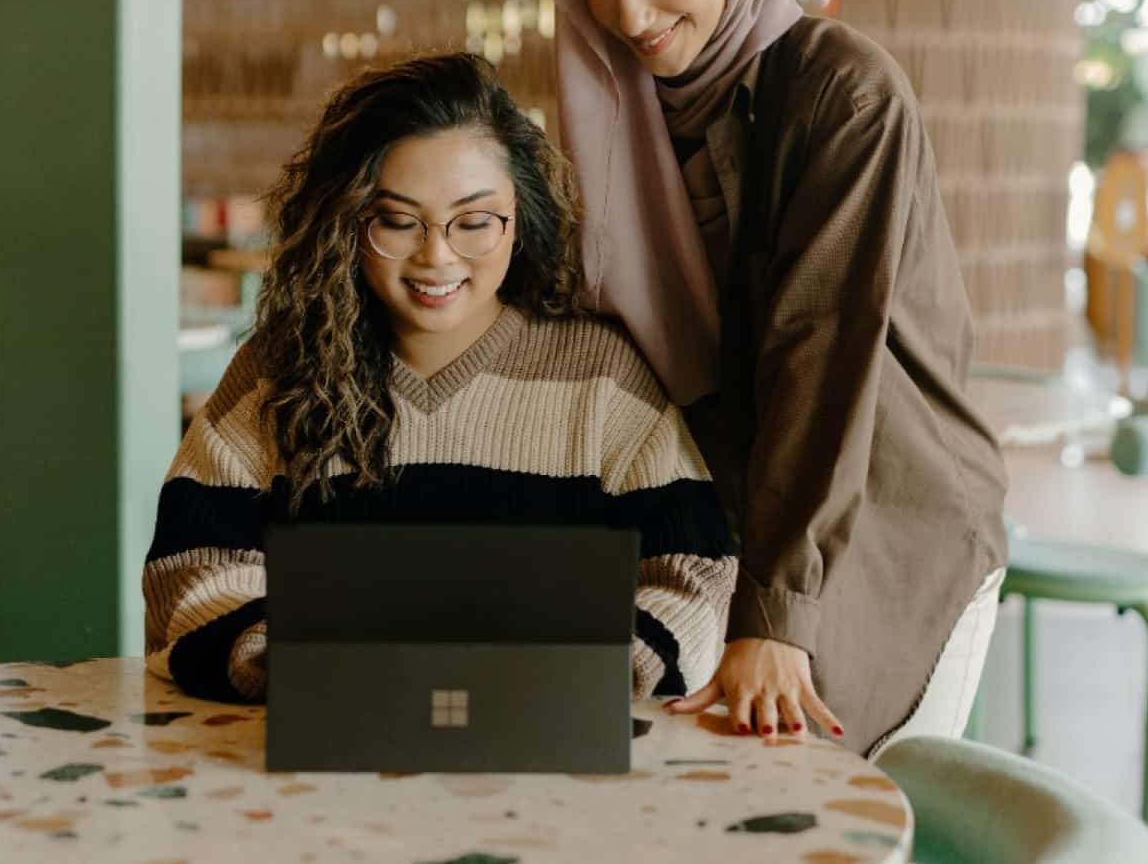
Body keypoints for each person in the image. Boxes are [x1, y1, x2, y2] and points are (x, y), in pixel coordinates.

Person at [547, 0, 1009, 755]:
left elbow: (821, 353)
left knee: (834, 808)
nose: (630, 17)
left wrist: (778, 610)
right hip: (728, 524)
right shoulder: (614, 113)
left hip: (881, 517)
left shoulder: (843, 91)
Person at [142, 52, 738, 704]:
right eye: (397, 220)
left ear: (521, 220)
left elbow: (695, 574)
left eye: (475, 222)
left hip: (552, 749)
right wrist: (308, 666)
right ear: (346, 221)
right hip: (318, 751)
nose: (437, 255)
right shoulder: (276, 371)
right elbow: (188, 570)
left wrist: (588, 673)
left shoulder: (601, 378)